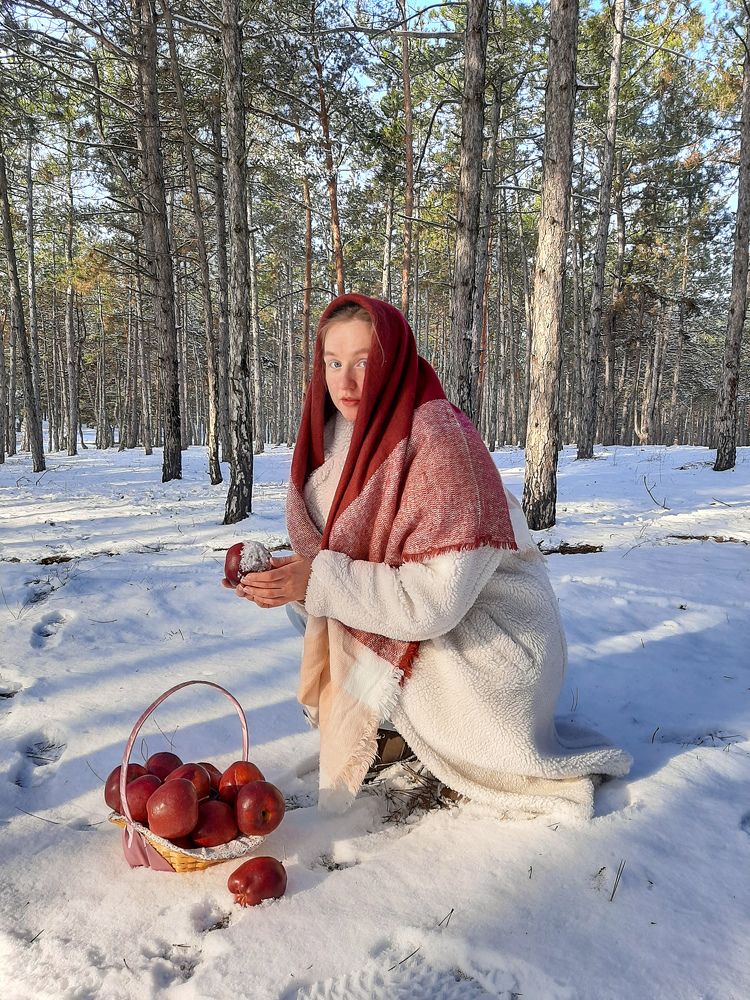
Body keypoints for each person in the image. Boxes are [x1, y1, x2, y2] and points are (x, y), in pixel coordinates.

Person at [230, 294, 631, 818]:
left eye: (363, 363)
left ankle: (452, 737)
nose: (345, 383)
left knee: (329, 595)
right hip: (424, 614)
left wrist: (319, 581)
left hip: (494, 641)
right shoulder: (331, 437)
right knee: (314, 602)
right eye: (333, 363)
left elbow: (436, 599)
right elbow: (341, 555)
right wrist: (289, 577)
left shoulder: (441, 441)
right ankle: (401, 730)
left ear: (393, 360)